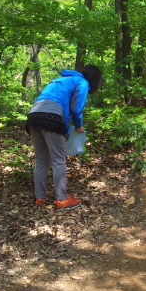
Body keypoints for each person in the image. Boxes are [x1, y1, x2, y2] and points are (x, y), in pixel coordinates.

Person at [25, 65, 103, 209]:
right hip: (51, 116)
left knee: (41, 159)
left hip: (34, 115)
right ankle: (62, 199)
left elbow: (62, 107)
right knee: (58, 160)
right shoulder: (83, 82)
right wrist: (78, 126)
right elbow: (76, 109)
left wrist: (65, 128)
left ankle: (40, 198)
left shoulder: (61, 79)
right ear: (95, 79)